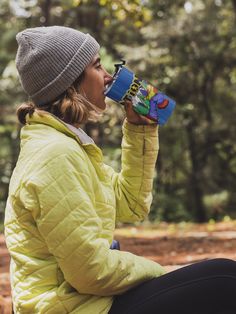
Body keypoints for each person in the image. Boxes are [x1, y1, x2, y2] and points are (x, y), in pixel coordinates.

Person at [4, 26, 236, 314]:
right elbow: (90, 271)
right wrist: (160, 273)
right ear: (70, 82)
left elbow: (131, 204)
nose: (107, 77)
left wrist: (140, 130)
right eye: (97, 65)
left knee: (224, 279)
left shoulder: (70, 145)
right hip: (68, 307)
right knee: (225, 281)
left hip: (84, 302)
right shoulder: (55, 154)